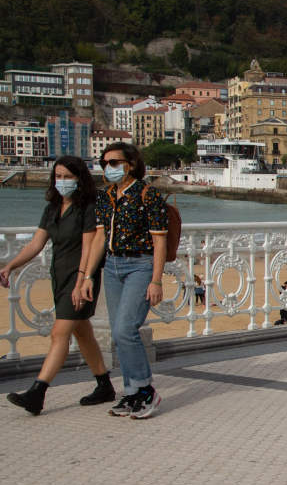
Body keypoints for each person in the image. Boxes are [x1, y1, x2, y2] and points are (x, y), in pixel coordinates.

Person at [2, 157, 115, 415]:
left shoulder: (89, 205)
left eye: (67, 177)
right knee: (82, 332)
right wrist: (10, 266)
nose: (62, 182)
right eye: (58, 177)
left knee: (59, 332)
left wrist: (81, 281)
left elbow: (90, 246)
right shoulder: (53, 207)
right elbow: (35, 243)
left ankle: (37, 393)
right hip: (59, 276)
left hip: (81, 278)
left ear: (79, 178)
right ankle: (104, 385)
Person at [79, 143, 167, 420]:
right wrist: (88, 275)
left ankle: (146, 391)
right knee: (120, 332)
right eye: (105, 162)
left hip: (140, 265)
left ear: (130, 164)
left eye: (115, 162)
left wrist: (156, 281)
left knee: (125, 330)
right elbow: (99, 238)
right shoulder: (106, 197)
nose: (109, 167)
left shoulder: (148, 195)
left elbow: (159, 240)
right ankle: (131, 393)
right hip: (113, 265)